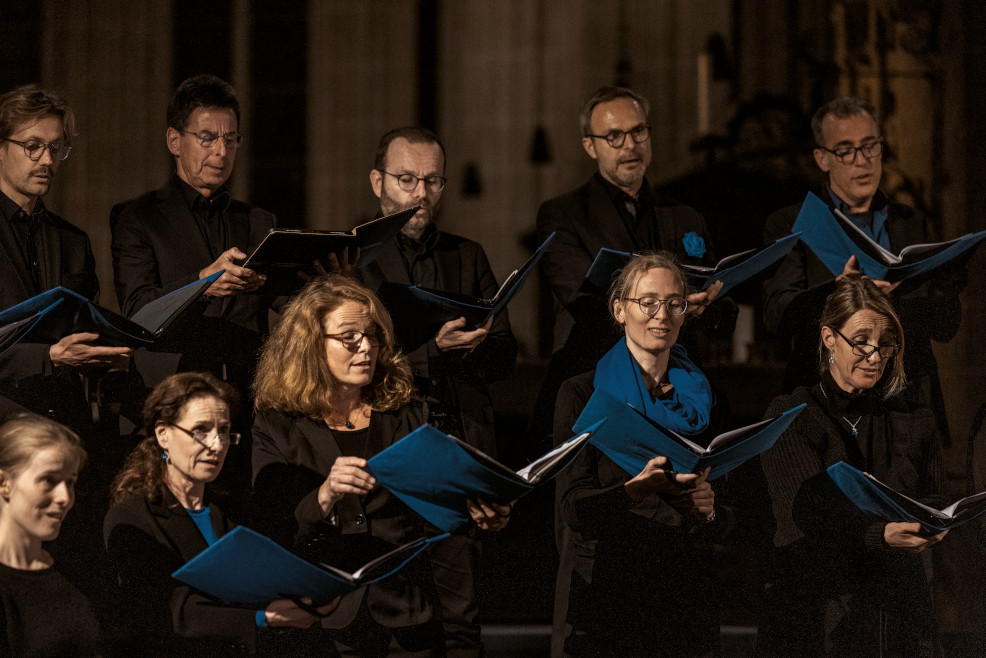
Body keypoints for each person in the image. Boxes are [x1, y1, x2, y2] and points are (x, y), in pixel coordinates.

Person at [252, 274, 509, 657]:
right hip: (321, 622)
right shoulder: (277, 423)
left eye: (372, 335)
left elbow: (444, 522)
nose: (366, 347)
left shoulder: (408, 411)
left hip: (408, 622)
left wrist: (483, 514)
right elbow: (271, 527)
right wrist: (324, 496)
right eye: (349, 337)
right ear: (310, 344)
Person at [359, 127, 517, 656]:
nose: (420, 193)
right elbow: (347, 366)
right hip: (386, 454)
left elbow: (505, 355)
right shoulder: (353, 260)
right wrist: (433, 350)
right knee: (394, 621)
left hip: (457, 455)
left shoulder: (467, 256)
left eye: (432, 181)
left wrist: (474, 345)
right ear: (378, 182)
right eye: (406, 179)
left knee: (461, 621)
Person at [111, 74, 279, 517]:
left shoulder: (260, 222)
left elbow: (285, 304)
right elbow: (138, 313)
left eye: (231, 139)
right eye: (207, 138)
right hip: (171, 411)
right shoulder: (137, 218)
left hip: (245, 416)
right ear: (174, 140)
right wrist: (201, 285)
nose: (221, 152)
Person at [757, 275, 947, 655]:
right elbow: (805, 511)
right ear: (829, 338)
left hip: (896, 616)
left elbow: (932, 498)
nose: (875, 356)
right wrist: (881, 533)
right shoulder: (793, 415)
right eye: (860, 342)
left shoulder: (913, 418)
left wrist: (936, 523)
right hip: (816, 608)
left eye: (886, 343)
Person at [762, 96, 965, 442]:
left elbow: (944, 329)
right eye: (845, 150)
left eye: (870, 146)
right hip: (827, 407)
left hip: (907, 406)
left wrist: (944, 293)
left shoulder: (910, 222)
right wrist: (838, 291)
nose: (862, 160)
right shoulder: (794, 224)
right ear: (822, 158)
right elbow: (776, 315)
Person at [554, 252, 723, 657]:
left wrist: (710, 509)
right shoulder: (582, 393)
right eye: (647, 302)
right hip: (610, 593)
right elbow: (572, 508)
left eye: (674, 303)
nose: (661, 315)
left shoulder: (704, 398)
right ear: (619, 310)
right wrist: (636, 490)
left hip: (685, 594)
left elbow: (733, 511)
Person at [103, 372, 334, 656]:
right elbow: (164, 611)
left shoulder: (229, 508)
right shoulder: (132, 517)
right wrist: (263, 619)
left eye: (223, 431)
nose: (217, 445)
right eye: (200, 430)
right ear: (163, 434)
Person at [0, 84, 131, 427]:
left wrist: (108, 352)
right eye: (32, 146)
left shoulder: (73, 240)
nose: (47, 160)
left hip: (67, 424)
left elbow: (84, 329)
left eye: (55, 148)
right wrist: (49, 356)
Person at [0, 412, 101, 656]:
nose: (65, 498)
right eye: (48, 480)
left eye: (70, 482)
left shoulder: (77, 567)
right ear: (4, 483)